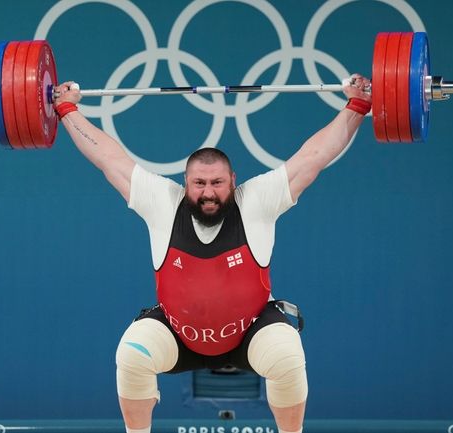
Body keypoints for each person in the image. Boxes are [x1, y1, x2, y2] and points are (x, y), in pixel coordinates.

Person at [52, 74, 372, 433]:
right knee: (131, 355)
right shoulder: (163, 202)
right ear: (185, 183)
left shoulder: (256, 201)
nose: (208, 192)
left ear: (232, 181)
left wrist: (357, 105)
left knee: (287, 354)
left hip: (251, 332)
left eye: (217, 183)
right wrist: (66, 109)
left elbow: (313, 157)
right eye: (199, 183)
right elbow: (108, 158)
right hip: (178, 333)